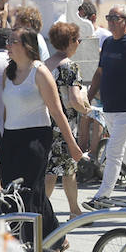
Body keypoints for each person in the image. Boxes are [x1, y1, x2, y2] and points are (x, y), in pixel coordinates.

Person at [1, 28, 83, 237]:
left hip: (36, 137)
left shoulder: (40, 71)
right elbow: (6, 111)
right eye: (8, 41)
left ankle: (33, 240)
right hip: (11, 137)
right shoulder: (7, 73)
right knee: (14, 192)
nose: (8, 45)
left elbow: (57, 111)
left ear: (28, 46)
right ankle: (53, 236)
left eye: (13, 41)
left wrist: (72, 145)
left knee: (29, 191)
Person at [85, 5, 126, 210]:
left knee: (113, 152)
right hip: (109, 107)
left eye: (115, 18)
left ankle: (103, 196)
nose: (110, 21)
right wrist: (88, 97)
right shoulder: (109, 42)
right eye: (108, 17)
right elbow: (99, 73)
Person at [44, 22, 90, 219]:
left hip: (45, 122)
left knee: (55, 168)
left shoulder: (45, 64)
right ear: (70, 41)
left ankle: (73, 209)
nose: (78, 43)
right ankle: (59, 210)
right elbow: (74, 99)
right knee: (64, 169)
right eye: (78, 40)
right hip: (64, 125)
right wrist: (87, 111)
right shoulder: (70, 67)